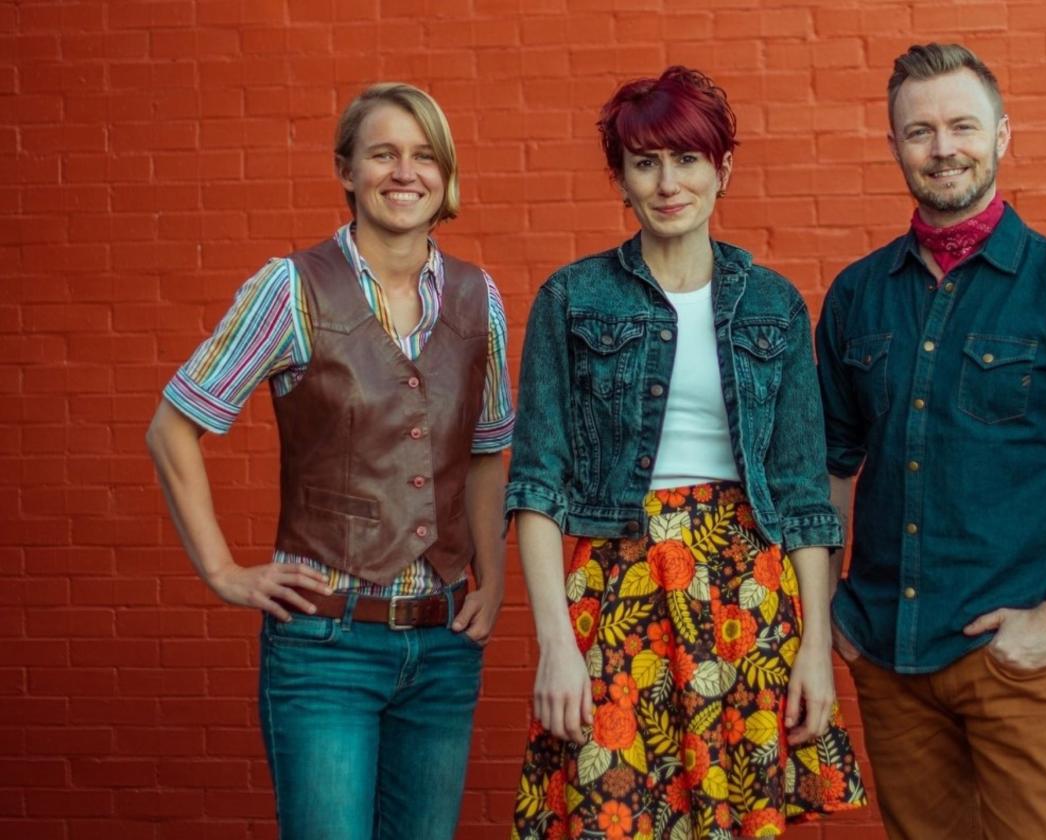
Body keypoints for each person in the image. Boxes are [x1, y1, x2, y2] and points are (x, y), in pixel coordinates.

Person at [817, 43, 1046, 840]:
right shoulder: (856, 295)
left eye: (962, 126)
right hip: (887, 654)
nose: (943, 148)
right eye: (920, 132)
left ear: (1003, 136)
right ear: (894, 147)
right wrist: (830, 609)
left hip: (1016, 662)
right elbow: (834, 466)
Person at [506, 66, 866, 840]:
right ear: (621, 178)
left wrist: (813, 649)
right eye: (645, 162)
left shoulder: (772, 303)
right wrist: (555, 646)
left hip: (749, 594)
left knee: (733, 819)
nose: (669, 183)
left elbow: (805, 496)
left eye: (688, 159)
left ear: (723, 168)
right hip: (618, 590)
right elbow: (536, 487)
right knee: (618, 811)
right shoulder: (573, 299)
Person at [145, 82, 512, 840]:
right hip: (325, 650)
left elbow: (487, 449)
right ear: (347, 171)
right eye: (382, 154)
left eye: (423, 156)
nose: (404, 172)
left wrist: (494, 576)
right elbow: (172, 426)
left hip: (443, 646)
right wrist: (222, 571)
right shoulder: (291, 290)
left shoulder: (481, 297)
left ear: (444, 175)